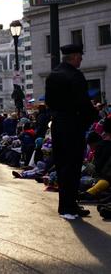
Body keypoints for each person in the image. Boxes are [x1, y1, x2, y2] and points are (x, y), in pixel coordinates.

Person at [45, 44, 98, 220]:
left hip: (59, 125)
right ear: (74, 57)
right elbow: (84, 104)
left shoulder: (53, 75)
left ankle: (67, 205)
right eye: (80, 56)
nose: (81, 59)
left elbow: (50, 103)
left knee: (62, 166)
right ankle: (69, 207)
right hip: (73, 125)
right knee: (73, 167)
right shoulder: (75, 76)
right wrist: (92, 116)